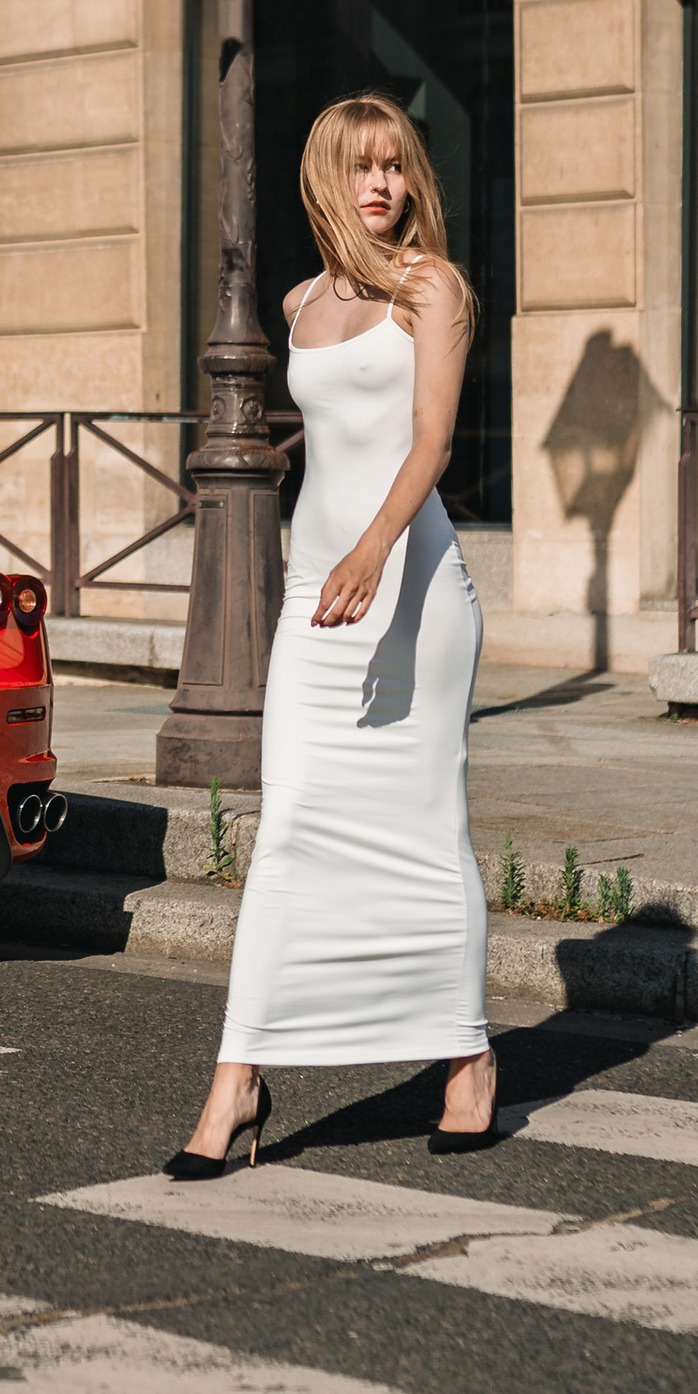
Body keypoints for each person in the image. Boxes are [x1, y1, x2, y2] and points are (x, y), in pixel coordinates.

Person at [168, 92, 497, 1176]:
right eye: (362, 166)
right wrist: (322, 555)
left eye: (396, 166)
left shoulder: (433, 290)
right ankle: (239, 1076)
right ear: (325, 178)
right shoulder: (300, 300)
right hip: (317, 597)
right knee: (291, 827)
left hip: (411, 591)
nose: (382, 185)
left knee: (424, 821)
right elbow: (330, 438)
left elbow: (433, 440)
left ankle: (464, 1057)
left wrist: (373, 551)